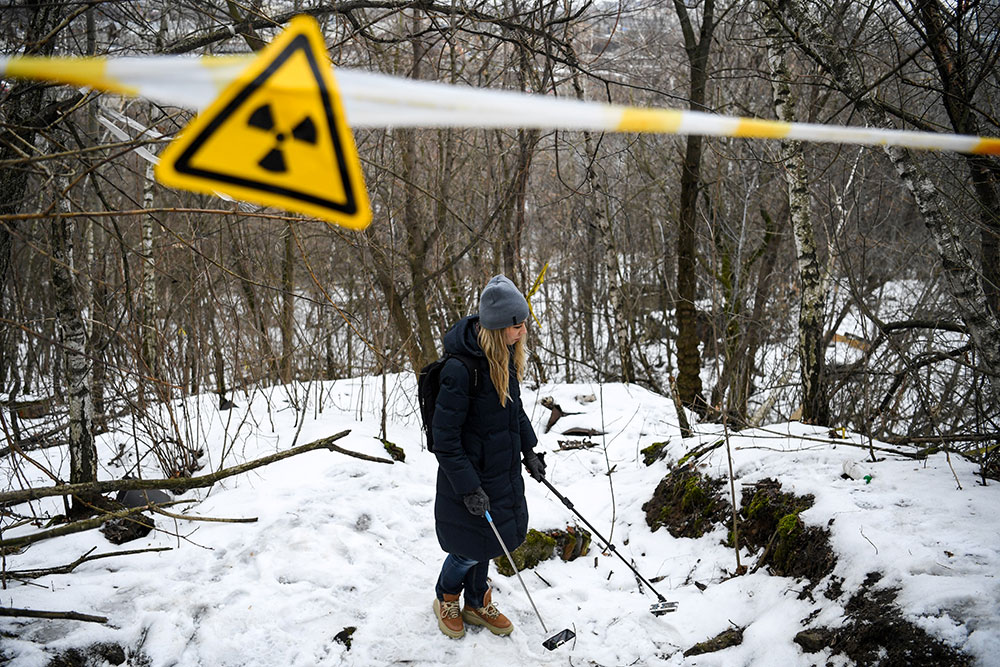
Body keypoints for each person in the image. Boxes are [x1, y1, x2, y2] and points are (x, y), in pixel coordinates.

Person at [431, 274, 547, 639]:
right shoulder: (459, 370)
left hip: (500, 472)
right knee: (467, 549)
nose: (524, 330)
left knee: (489, 542)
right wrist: (468, 488)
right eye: (517, 324)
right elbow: (444, 440)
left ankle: (477, 601)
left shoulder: (505, 358)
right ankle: (447, 595)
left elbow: (514, 412)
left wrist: (529, 451)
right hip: (467, 478)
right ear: (498, 328)